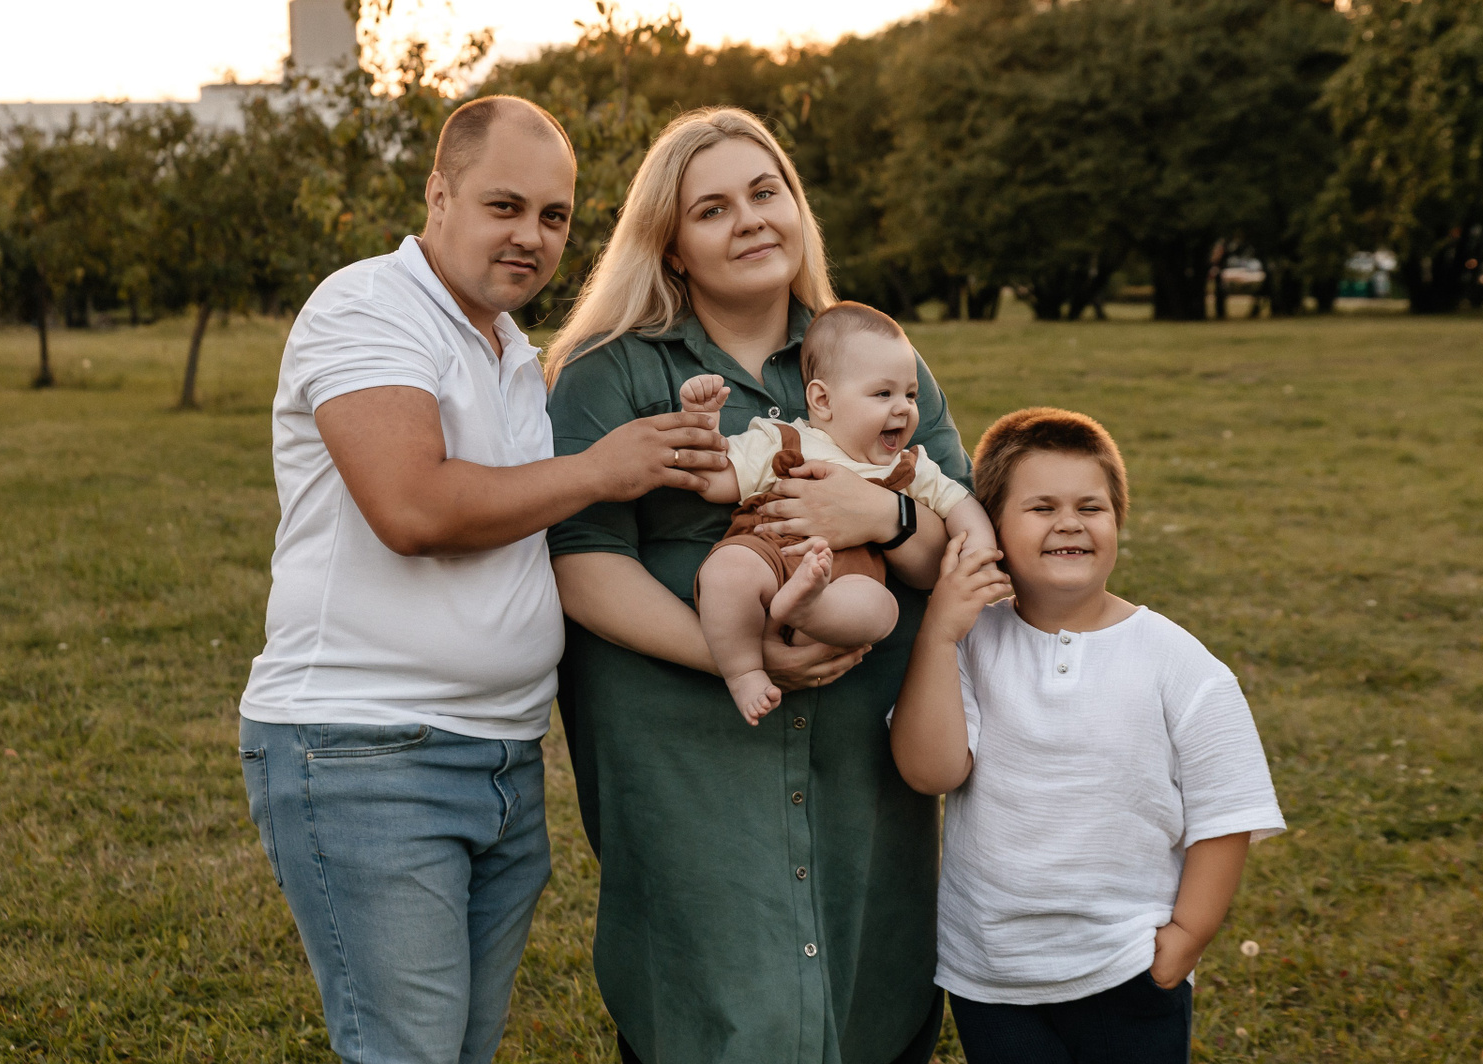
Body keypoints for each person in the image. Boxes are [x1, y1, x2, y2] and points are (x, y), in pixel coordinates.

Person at [236, 96, 729, 1064]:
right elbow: (413, 508)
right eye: (505, 206)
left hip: (500, 757)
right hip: (368, 748)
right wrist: (601, 469)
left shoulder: (508, 350)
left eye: (554, 216)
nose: (531, 237)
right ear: (439, 194)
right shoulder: (369, 305)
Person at [545, 106, 969, 1064]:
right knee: (713, 1005)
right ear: (673, 246)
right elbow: (581, 561)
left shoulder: (878, 358)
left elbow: (957, 539)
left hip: (862, 766)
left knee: (870, 999)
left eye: (765, 192)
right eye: (712, 209)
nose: (749, 220)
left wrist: (882, 518)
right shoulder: (611, 374)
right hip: (688, 758)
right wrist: (736, 656)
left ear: (797, 207)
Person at [889, 407, 1284, 1064]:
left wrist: (1184, 940)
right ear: (991, 528)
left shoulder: (1178, 663)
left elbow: (1226, 813)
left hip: (1127, 966)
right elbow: (931, 771)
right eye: (1041, 507)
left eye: (1090, 507)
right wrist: (937, 633)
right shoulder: (969, 644)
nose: (1069, 522)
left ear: (1117, 521)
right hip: (992, 975)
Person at [679, 301, 996, 724]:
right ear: (823, 400)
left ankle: (807, 607)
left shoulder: (908, 466)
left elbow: (961, 504)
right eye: (883, 394)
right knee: (725, 572)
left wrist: (979, 554)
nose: (903, 408)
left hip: (845, 582)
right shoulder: (782, 441)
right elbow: (716, 483)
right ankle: (744, 672)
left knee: (881, 609)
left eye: (910, 394)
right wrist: (702, 423)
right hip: (768, 555)